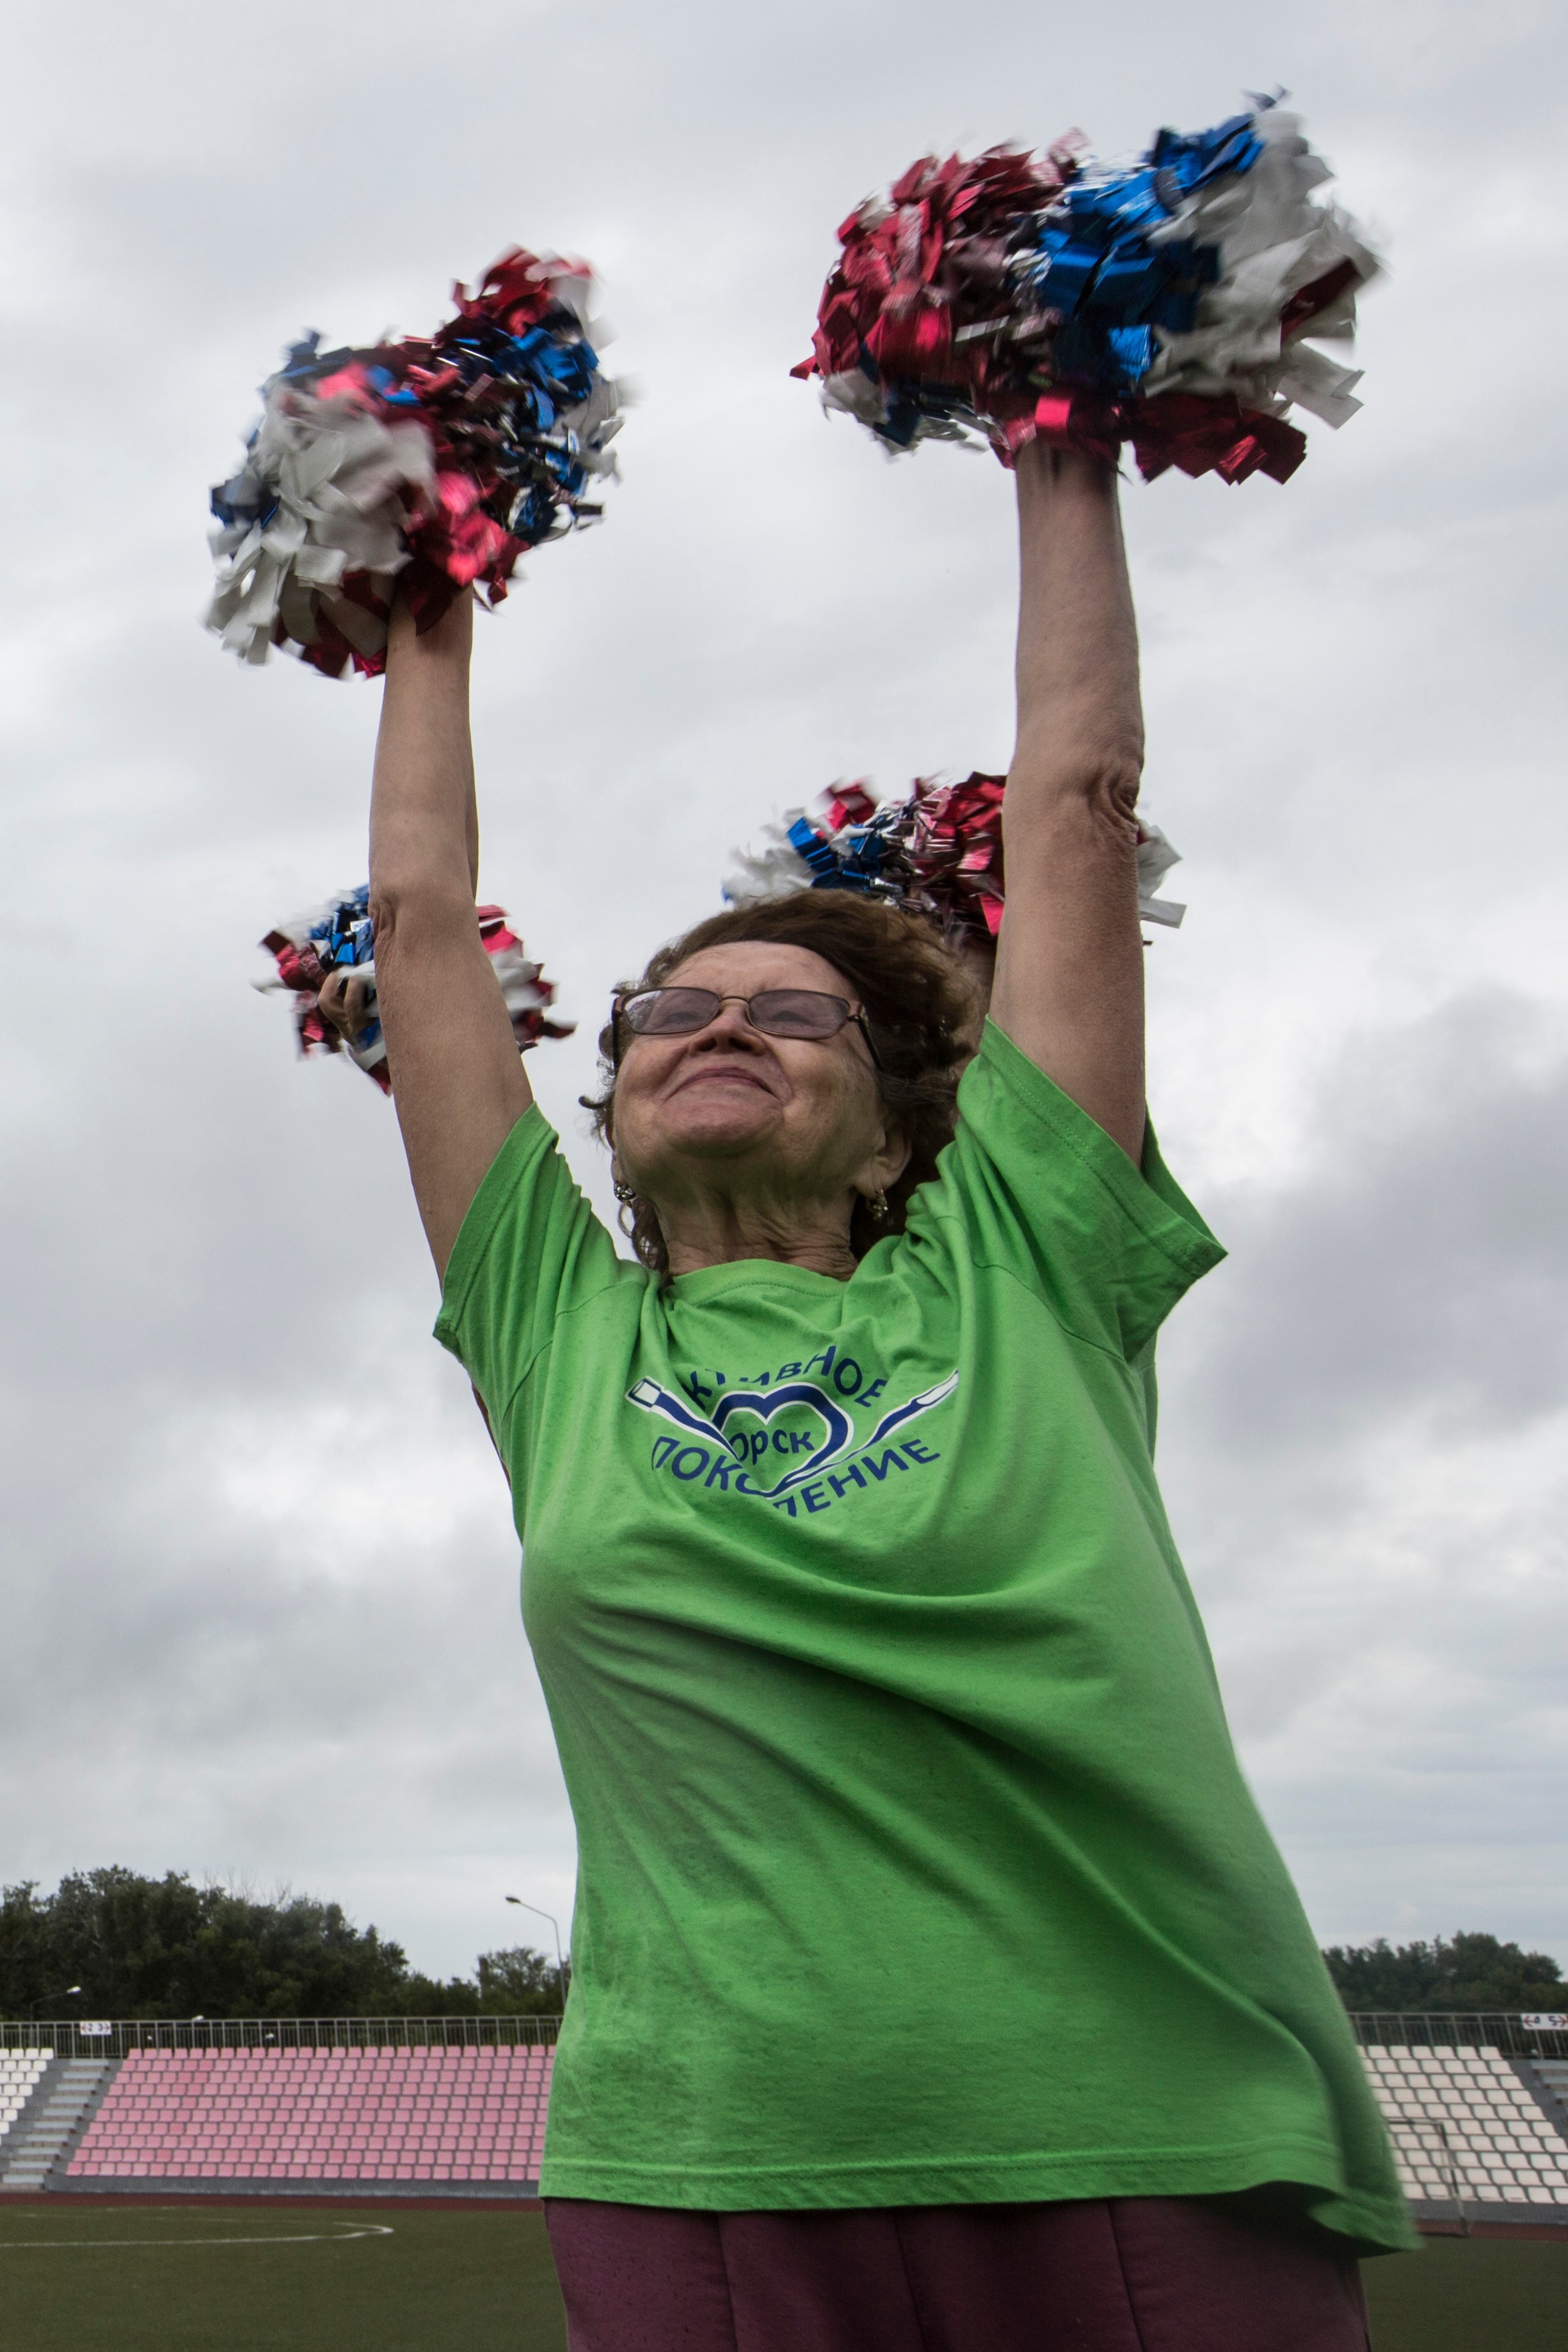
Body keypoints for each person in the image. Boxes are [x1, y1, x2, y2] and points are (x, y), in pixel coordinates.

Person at [353, 444, 1409, 2351]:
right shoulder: (552, 1326)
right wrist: (430, 561)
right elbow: (421, 923)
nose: (725, 1023)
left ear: (895, 1129)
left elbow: (1076, 799)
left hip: (1145, 2129)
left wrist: (1059, 426)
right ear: (609, 1109)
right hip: (709, 2165)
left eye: (791, 1009)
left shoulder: (1025, 1249)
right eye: (671, 1013)